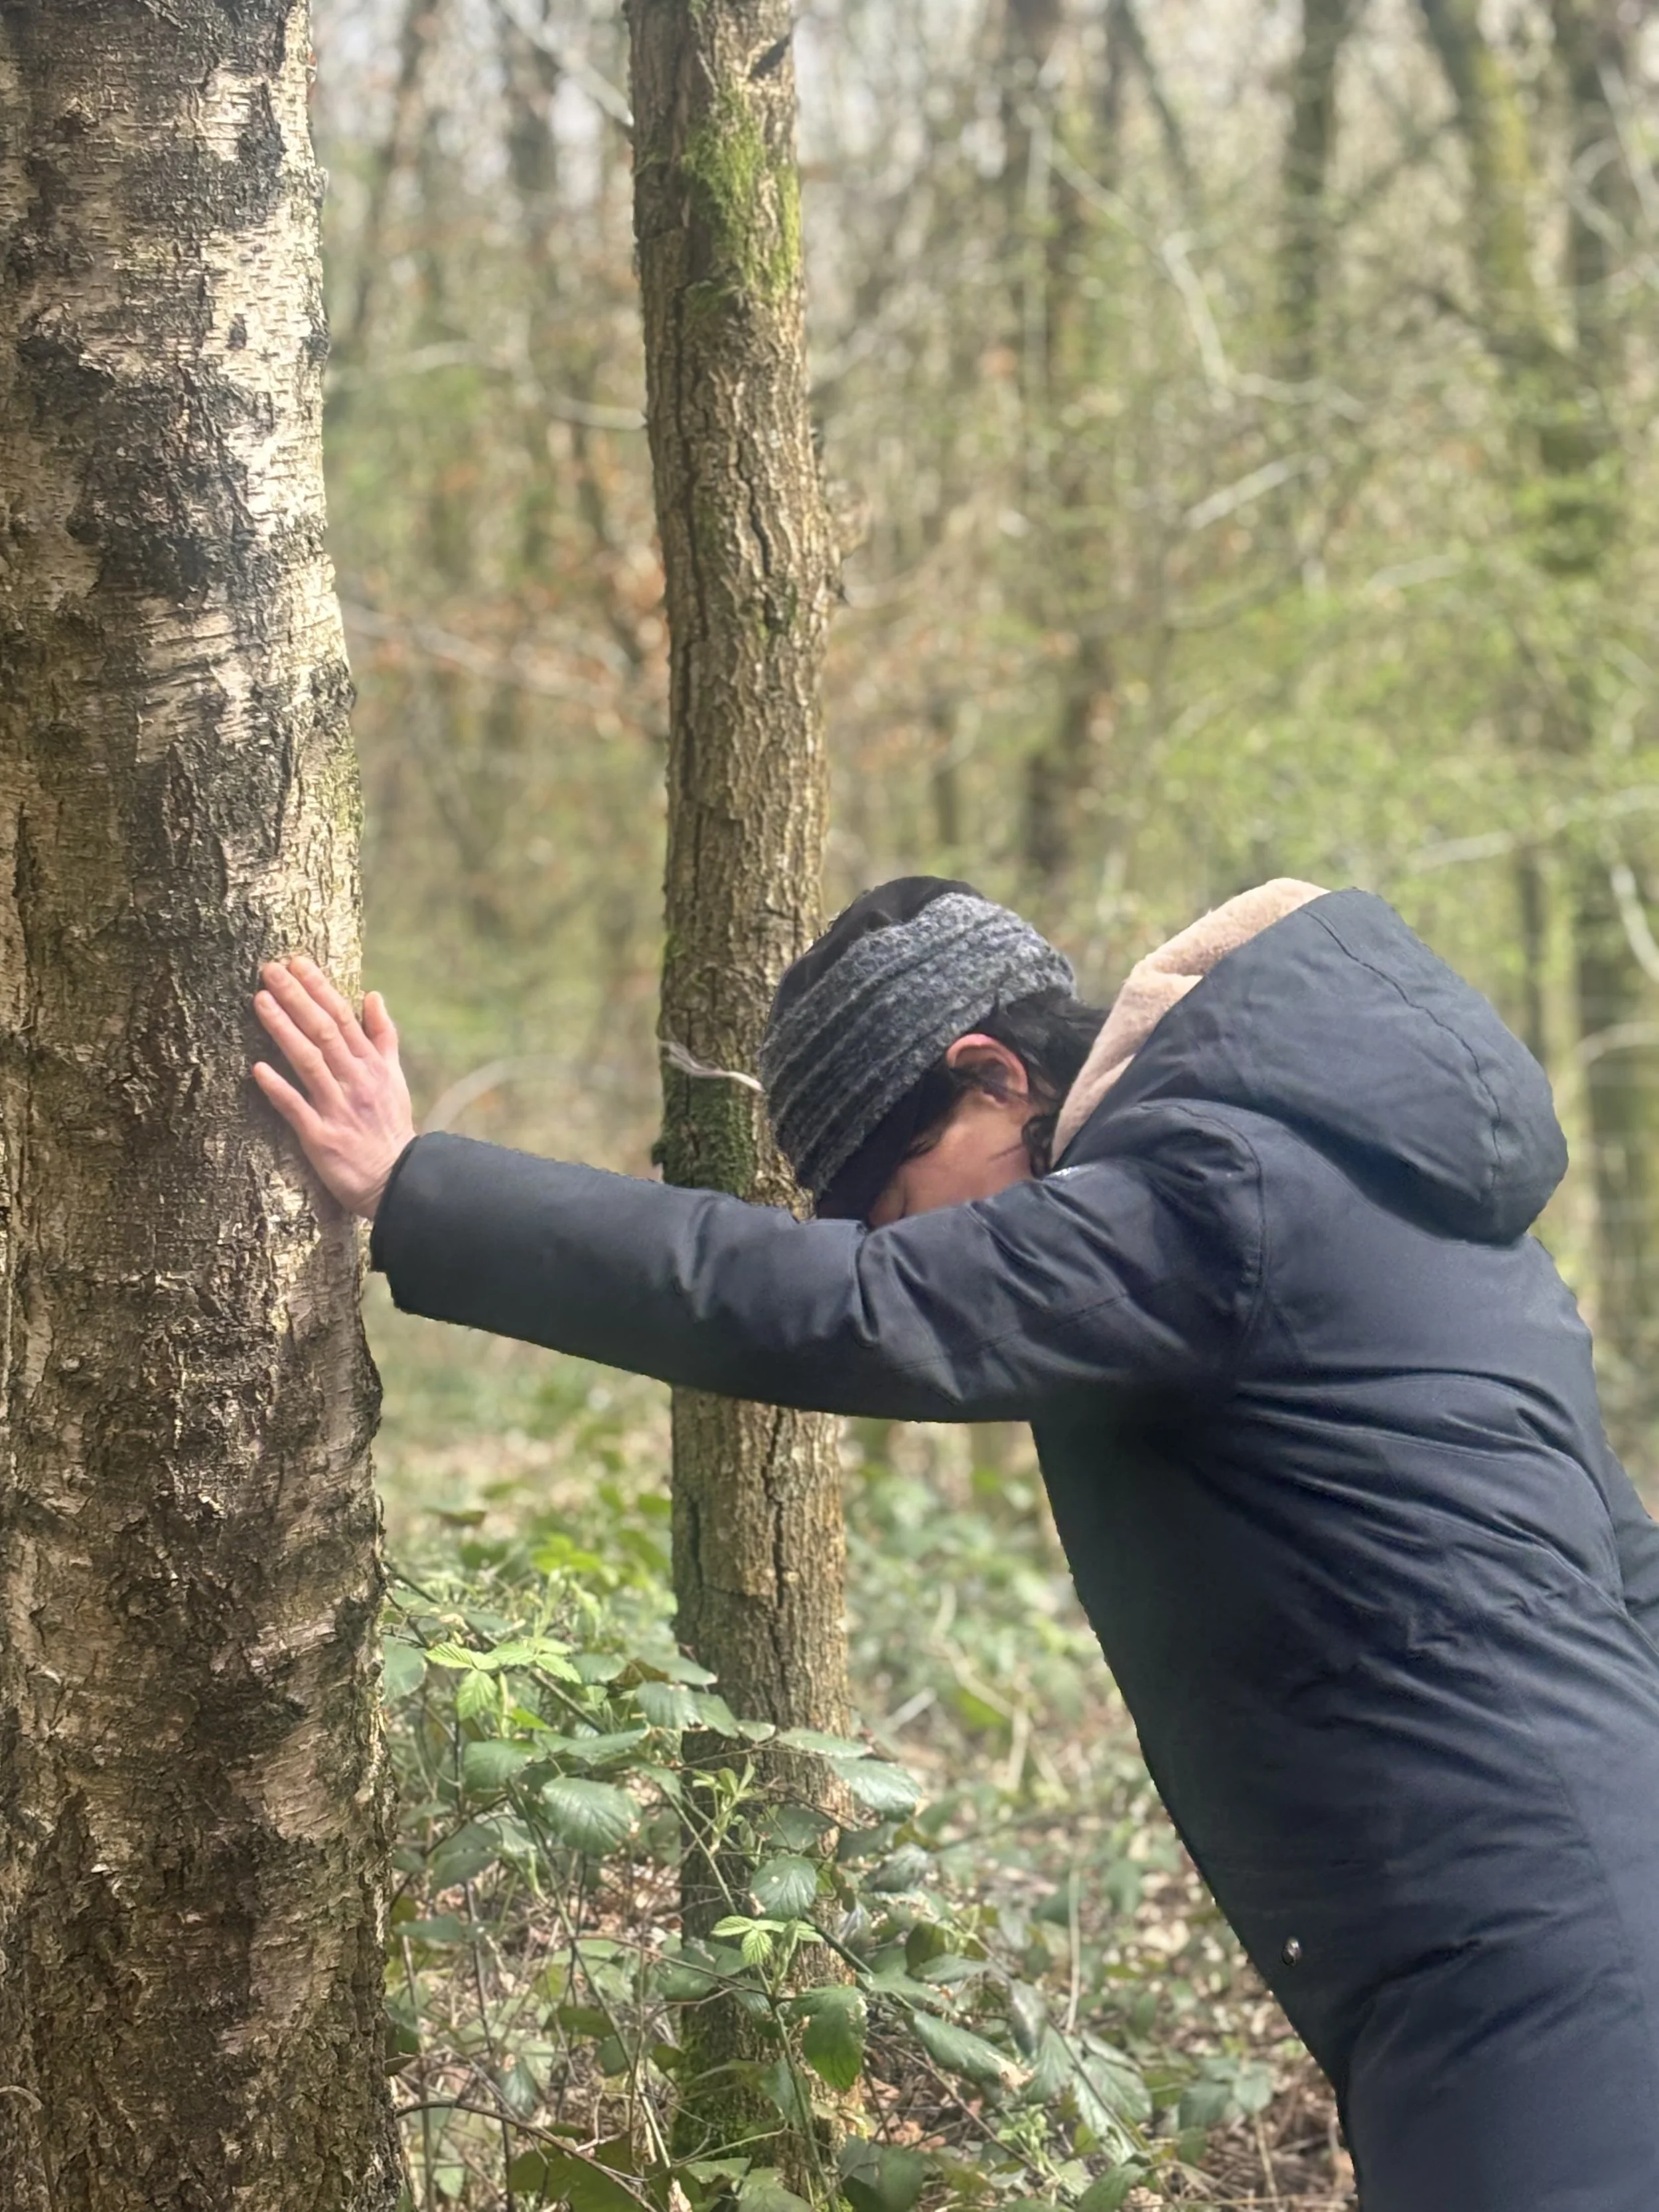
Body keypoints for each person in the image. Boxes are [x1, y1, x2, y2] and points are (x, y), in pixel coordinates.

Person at [252, 875, 1659, 2212]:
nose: (902, 1237)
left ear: (992, 1075)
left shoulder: (1198, 1199)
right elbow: (1626, 1570)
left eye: (893, 1197)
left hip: (1520, 1954)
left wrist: (417, 1185)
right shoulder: (1379, 1197)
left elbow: (849, 1308)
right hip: (1550, 1918)